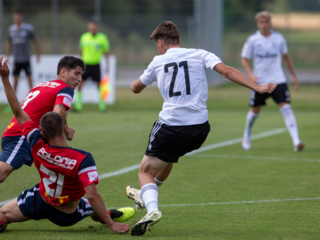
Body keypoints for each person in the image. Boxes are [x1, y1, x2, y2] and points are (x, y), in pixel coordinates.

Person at [125, 21, 277, 236]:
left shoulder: (158, 61)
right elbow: (227, 72)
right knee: (169, 157)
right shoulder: (201, 54)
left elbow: (135, 87)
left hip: (170, 126)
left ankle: (152, 208)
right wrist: (258, 87)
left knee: (145, 170)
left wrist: (139, 85)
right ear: (179, 40)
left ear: (160, 43)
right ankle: (148, 194)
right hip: (199, 129)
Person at [0, 57, 133, 234]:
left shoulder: (37, 145)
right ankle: (108, 217)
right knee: (89, 204)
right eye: (77, 74)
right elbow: (92, 193)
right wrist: (112, 226)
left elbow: (18, 111)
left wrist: (5, 79)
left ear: (42, 132)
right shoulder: (82, 158)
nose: (79, 78)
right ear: (63, 128)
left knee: (1, 213)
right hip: (66, 213)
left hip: (40, 201)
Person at [0, 56, 79, 220]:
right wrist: (64, 139)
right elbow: (58, 112)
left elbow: (60, 112)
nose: (79, 79)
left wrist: (66, 131)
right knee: (0, 173)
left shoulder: (43, 85)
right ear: (63, 72)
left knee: (49, 169)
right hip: (22, 135)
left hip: (20, 132)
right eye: (77, 74)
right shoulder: (66, 89)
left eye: (81, 75)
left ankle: (56, 202)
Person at [241, 11, 304, 152]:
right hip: (259, 82)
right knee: (254, 111)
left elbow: (286, 58)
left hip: (278, 80)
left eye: (266, 22)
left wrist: (294, 76)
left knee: (286, 107)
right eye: (261, 22)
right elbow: (244, 59)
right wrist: (251, 75)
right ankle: (247, 135)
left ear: (271, 23)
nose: (264, 25)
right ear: (258, 24)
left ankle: (296, 141)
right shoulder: (252, 40)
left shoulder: (279, 38)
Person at [75, 20, 110, 112]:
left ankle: (102, 106)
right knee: (80, 85)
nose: (92, 29)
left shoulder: (102, 38)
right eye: (90, 27)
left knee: (99, 86)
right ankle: (78, 106)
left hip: (95, 65)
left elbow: (106, 52)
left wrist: (107, 64)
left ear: (96, 28)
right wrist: (79, 63)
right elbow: (81, 50)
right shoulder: (84, 37)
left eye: (93, 27)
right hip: (85, 65)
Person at [7, 10, 41, 95]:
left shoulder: (28, 29)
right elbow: (9, 44)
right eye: (16, 17)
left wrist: (38, 54)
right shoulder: (11, 30)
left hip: (26, 59)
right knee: (15, 82)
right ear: (13, 18)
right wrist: (8, 56)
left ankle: (32, 100)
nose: (17, 19)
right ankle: (14, 103)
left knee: (29, 81)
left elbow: (35, 41)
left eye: (19, 17)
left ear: (21, 18)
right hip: (16, 60)